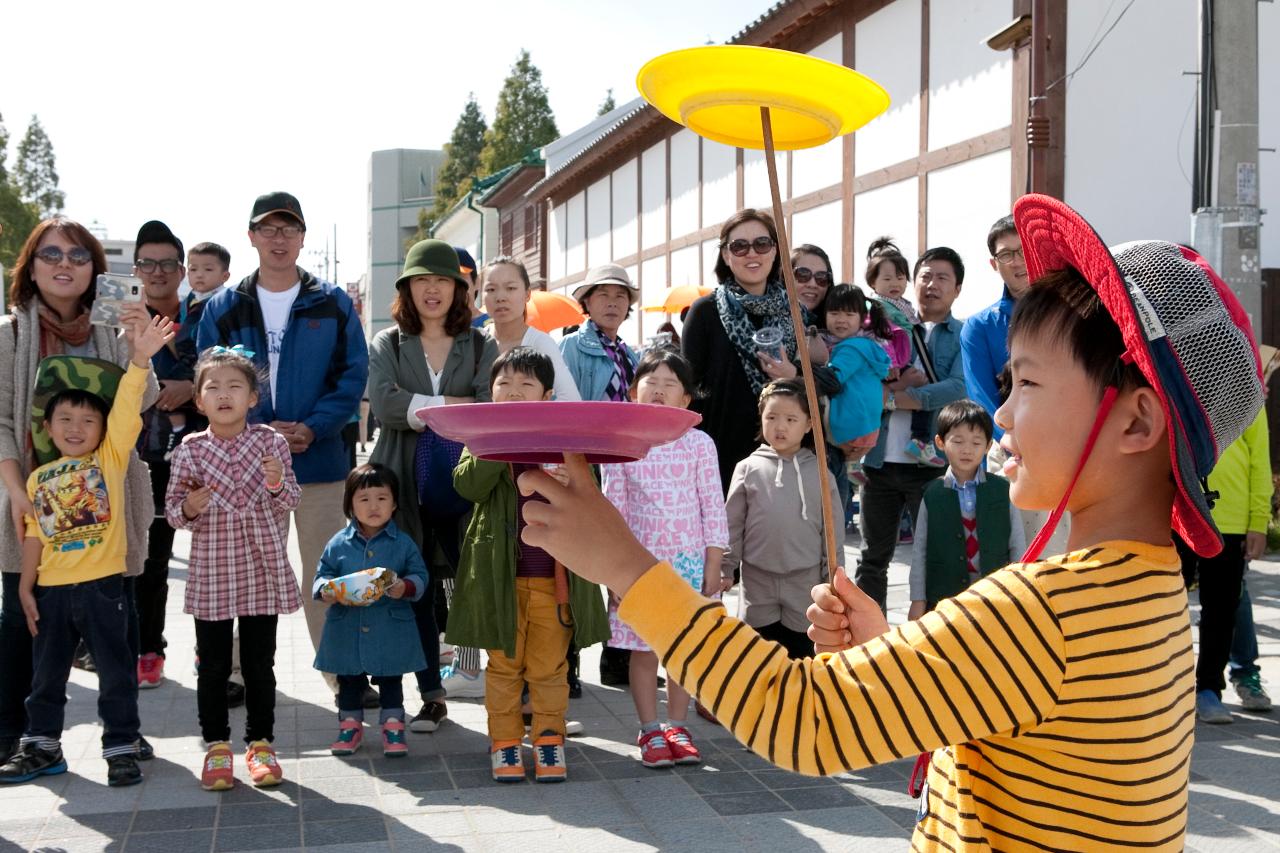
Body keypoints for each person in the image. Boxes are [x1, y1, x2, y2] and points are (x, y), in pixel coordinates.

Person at [512, 195, 1264, 851]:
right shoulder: (1151, 589)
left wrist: (625, 565)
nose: (999, 413)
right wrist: (888, 651)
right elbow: (1025, 728)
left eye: (1027, 381)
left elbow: (798, 716)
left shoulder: (1044, 610)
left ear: (1136, 421)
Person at [0, 218, 158, 768]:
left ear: (95, 268)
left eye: (77, 254)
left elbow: (141, 400)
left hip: (108, 498)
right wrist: (18, 491)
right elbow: (0, 421)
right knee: (25, 622)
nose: (63, 264)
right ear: (31, 265)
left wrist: (140, 345)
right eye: (50, 254)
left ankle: (123, 736)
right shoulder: (9, 333)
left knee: (118, 623)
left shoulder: (112, 324)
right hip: (31, 493)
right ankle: (21, 736)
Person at [197, 192, 368, 699]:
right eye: (268, 229)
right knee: (242, 567)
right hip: (243, 463)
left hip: (318, 460)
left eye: (288, 229)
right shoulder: (224, 308)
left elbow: (351, 375)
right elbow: (214, 378)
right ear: (251, 236)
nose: (278, 239)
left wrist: (313, 427)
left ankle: (342, 677)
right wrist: (260, 432)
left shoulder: (332, 302)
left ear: (301, 238)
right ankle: (233, 672)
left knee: (326, 570)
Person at [448, 347, 608, 783]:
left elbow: (590, 492)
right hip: (500, 580)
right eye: (504, 384)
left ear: (547, 394)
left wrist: (569, 480)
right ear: (491, 390)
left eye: (525, 385)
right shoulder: (480, 435)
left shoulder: (564, 438)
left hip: (553, 581)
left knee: (549, 668)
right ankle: (503, 743)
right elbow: (467, 485)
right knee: (502, 667)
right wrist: (496, 442)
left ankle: (549, 740)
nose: (512, 392)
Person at [367, 238, 497, 730]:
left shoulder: (481, 344)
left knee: (472, 580)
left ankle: (486, 674)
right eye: (421, 280)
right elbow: (383, 404)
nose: (432, 290)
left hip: (466, 482)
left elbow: (489, 407)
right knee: (413, 586)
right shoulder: (387, 342)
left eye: (442, 280)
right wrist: (451, 405)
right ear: (406, 288)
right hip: (401, 480)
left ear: (459, 288)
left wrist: (419, 406)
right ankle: (431, 693)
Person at [165, 347, 302, 791]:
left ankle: (260, 743)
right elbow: (171, 512)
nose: (224, 395)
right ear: (199, 401)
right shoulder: (190, 450)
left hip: (261, 566)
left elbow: (291, 500)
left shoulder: (270, 443)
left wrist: (278, 480)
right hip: (213, 570)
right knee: (213, 665)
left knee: (261, 663)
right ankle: (216, 747)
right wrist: (188, 506)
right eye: (213, 387)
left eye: (234, 386)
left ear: (252, 397)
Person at [600, 349, 729, 768]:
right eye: (650, 382)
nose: (658, 389)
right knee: (644, 650)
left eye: (670, 383)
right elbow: (611, 508)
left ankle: (678, 724)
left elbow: (713, 504)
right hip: (638, 568)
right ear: (634, 391)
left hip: (690, 565)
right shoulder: (622, 441)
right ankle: (649, 728)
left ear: (686, 399)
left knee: (684, 649)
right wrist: (612, 571)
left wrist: (714, 563)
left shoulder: (699, 444)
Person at [856, 246, 967, 610]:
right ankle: (868, 639)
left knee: (936, 556)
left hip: (931, 466)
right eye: (925, 276)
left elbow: (956, 388)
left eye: (942, 278)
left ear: (957, 288)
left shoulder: (962, 334)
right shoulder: (883, 325)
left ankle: (931, 634)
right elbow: (860, 379)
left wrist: (894, 398)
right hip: (879, 463)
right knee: (873, 558)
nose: (931, 284)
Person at [559, 263, 641, 687]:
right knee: (576, 563)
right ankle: (567, 665)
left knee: (620, 559)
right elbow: (564, 405)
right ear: (587, 302)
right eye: (603, 294)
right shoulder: (573, 346)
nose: (613, 302)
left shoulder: (630, 353)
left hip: (620, 466)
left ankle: (619, 658)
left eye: (621, 295)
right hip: (586, 463)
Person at [314, 463, 427, 758]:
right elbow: (320, 578)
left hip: (390, 626)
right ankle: (350, 726)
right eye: (364, 499)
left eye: (382, 498)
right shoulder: (338, 543)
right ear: (350, 505)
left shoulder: (402, 543)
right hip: (347, 625)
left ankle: (393, 726)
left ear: (394, 503)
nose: (373, 506)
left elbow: (420, 575)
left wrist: (406, 586)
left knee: (391, 679)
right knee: (349, 680)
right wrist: (328, 590)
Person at [725, 379, 843, 661]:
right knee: (759, 652)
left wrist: (834, 577)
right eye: (772, 417)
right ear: (761, 419)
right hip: (758, 578)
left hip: (805, 579)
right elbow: (732, 524)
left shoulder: (820, 473)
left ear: (808, 425)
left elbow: (833, 528)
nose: (781, 426)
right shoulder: (747, 468)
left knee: (802, 651)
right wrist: (726, 567)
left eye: (791, 419)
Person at [132, 220, 198, 689]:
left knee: (215, 556)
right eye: (147, 263)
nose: (157, 272)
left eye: (167, 263)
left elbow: (230, 370)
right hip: (141, 456)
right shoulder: (122, 318)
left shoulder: (207, 315)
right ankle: (148, 650)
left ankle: (213, 653)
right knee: (151, 561)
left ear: (182, 269)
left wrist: (190, 387)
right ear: (137, 268)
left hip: (203, 453)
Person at [1176, 405, 1272, 722]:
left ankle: (1209, 690)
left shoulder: (1249, 396)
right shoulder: (1175, 384)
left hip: (1230, 520)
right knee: (1169, 609)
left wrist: (1258, 521)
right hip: (1178, 516)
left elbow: (1260, 460)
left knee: (1221, 610)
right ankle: (1171, 690)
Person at [906, 400, 1024, 619]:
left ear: (989, 446)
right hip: (943, 599)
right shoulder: (932, 494)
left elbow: (1016, 544)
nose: (967, 450)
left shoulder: (1002, 490)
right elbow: (920, 550)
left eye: (976, 442)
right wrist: (918, 600)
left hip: (995, 598)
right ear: (940, 442)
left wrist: (1019, 592)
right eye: (958, 441)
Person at [863, 239, 941, 467]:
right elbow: (878, 336)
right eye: (887, 279)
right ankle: (919, 440)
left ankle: (916, 440)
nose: (895, 283)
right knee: (926, 392)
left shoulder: (900, 304)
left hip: (898, 360)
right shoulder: (875, 306)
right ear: (873, 282)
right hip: (890, 363)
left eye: (900, 277)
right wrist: (891, 365)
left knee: (921, 391)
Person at [482, 257, 580, 400]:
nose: (500, 297)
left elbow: (571, 400)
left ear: (527, 294)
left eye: (510, 288)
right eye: (491, 289)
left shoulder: (541, 343)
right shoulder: (475, 340)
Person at [820, 284, 892, 472]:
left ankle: (852, 470)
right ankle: (853, 470)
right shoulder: (869, 344)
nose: (841, 320)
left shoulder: (851, 348)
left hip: (847, 428)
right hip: (865, 426)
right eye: (834, 313)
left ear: (862, 319)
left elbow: (832, 378)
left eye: (849, 315)